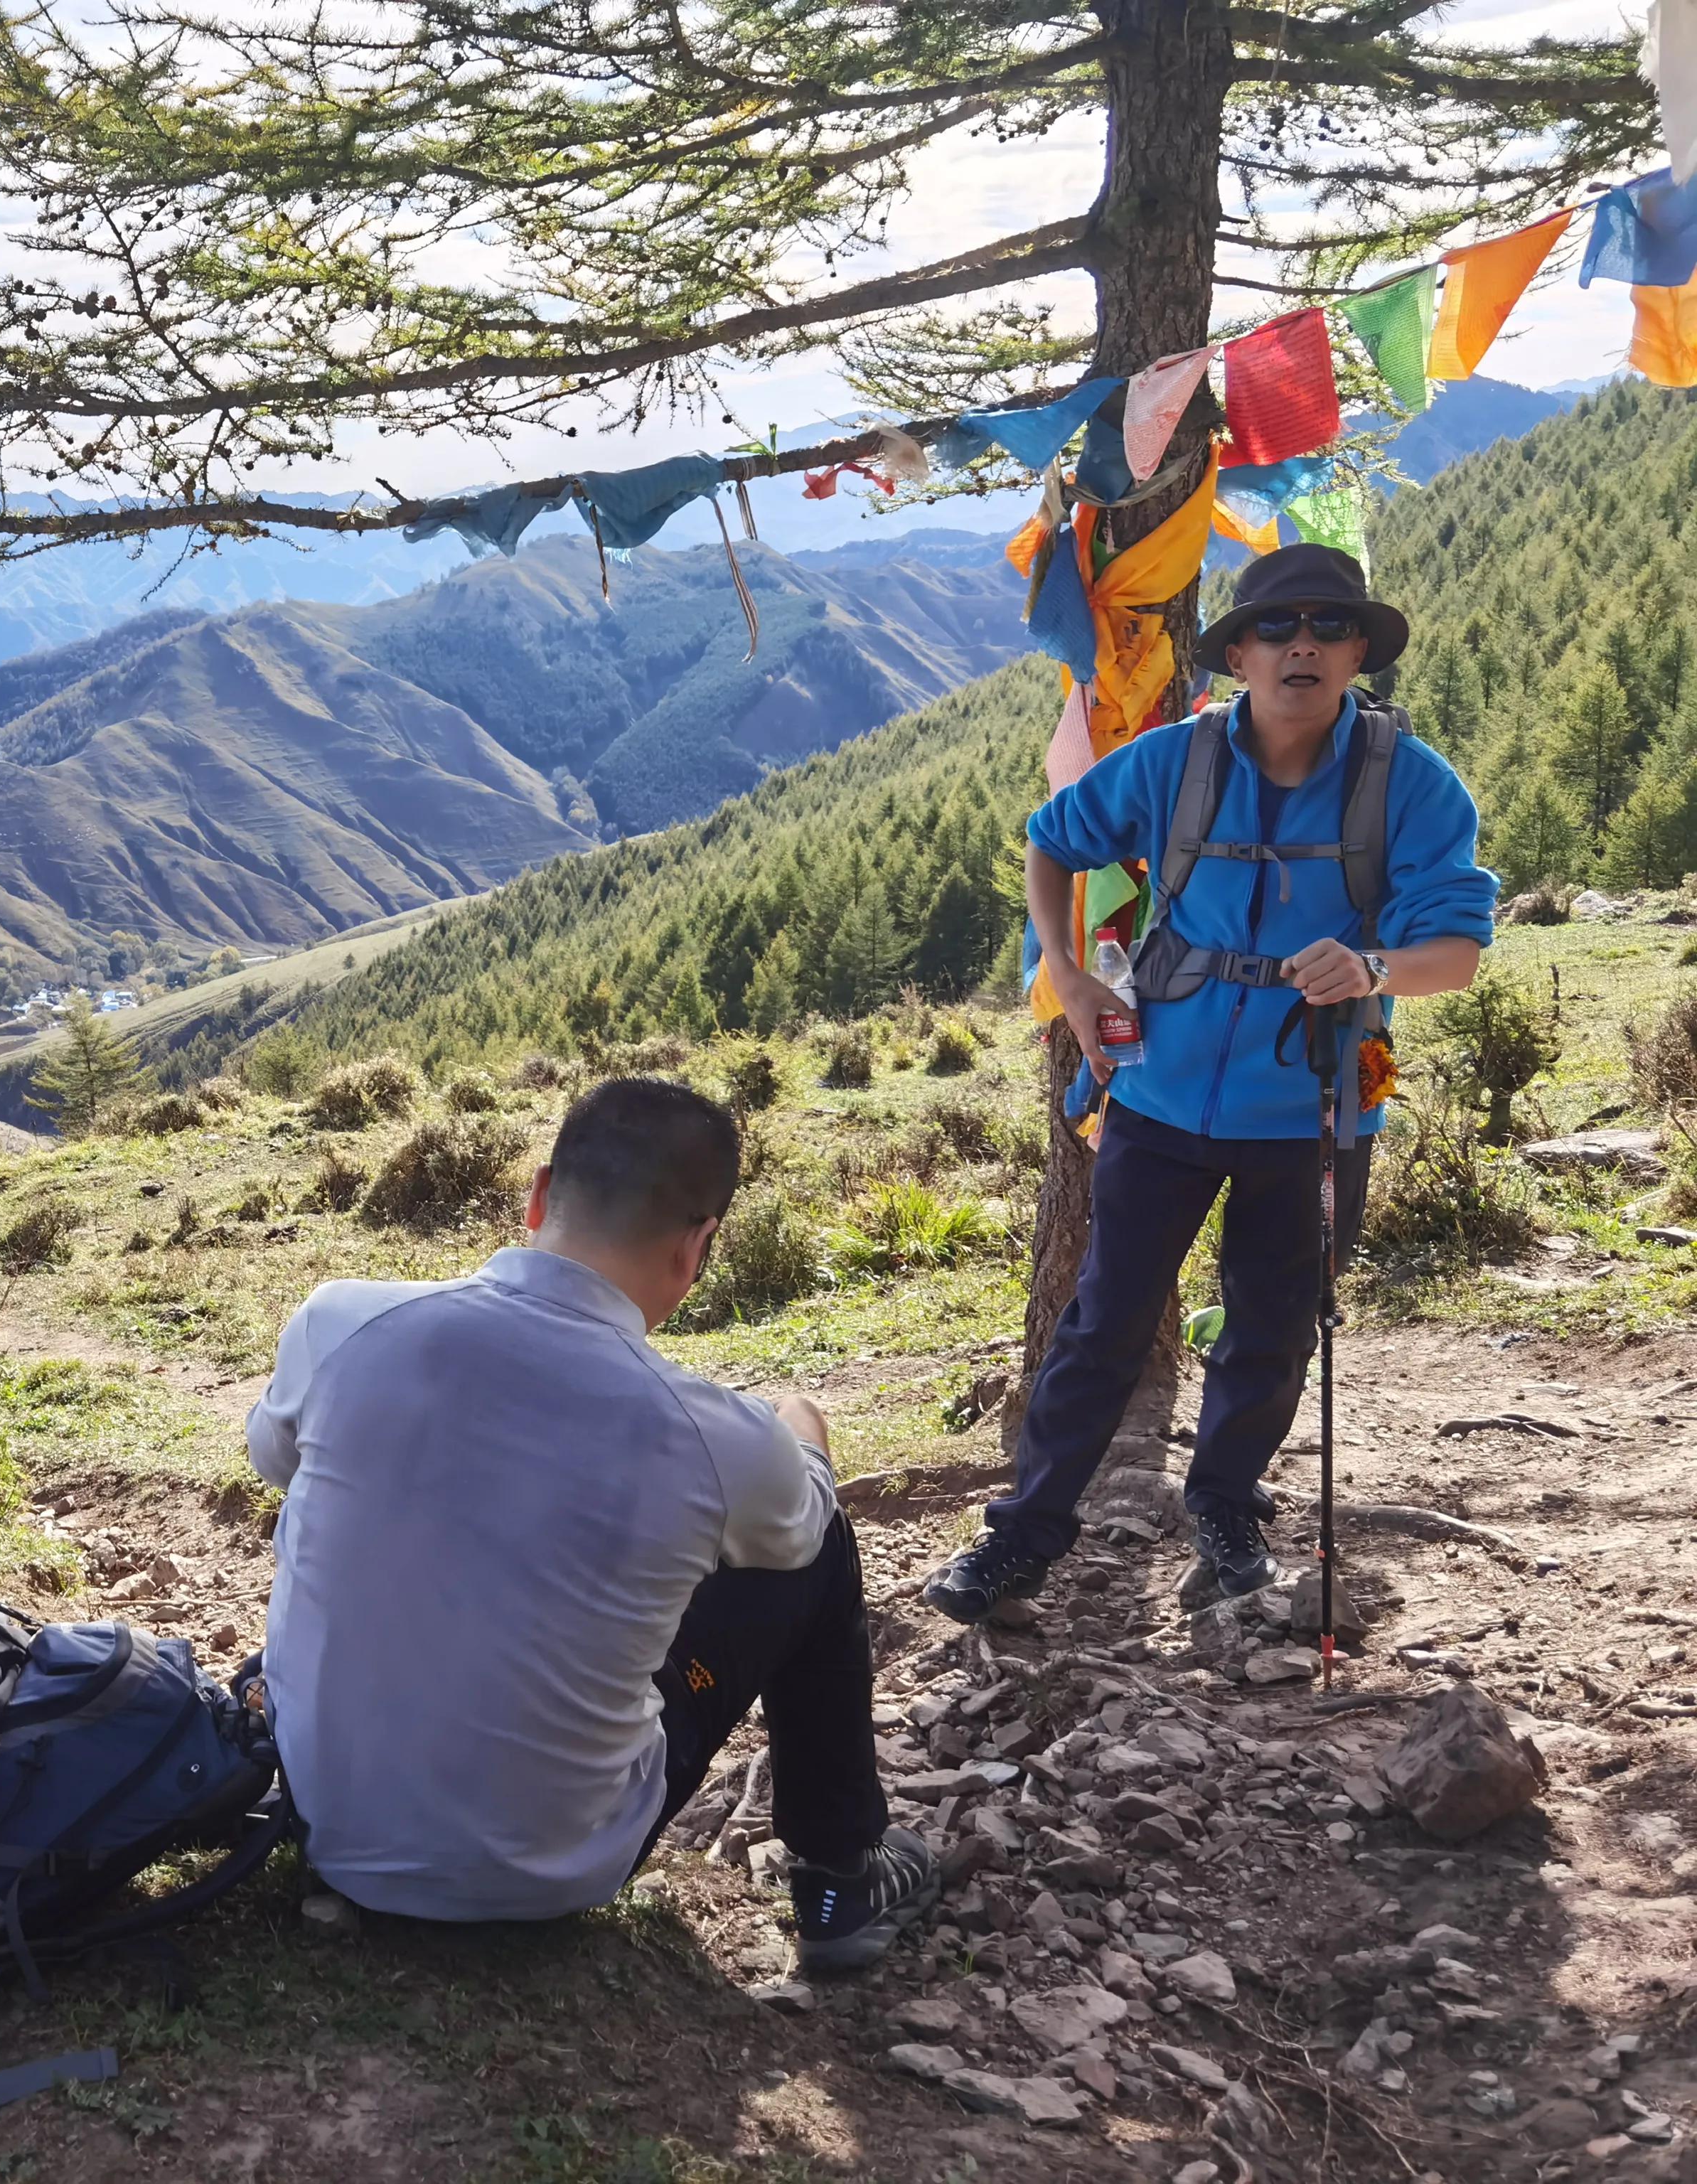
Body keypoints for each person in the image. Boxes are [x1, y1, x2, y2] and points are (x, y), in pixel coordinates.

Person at [245, 1077, 936, 1972]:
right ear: (696, 1247)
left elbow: (277, 1462)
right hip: (552, 1869)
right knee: (816, 1531)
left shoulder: (341, 1320)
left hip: (321, 1826)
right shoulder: (722, 1439)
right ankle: (842, 1874)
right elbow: (794, 1535)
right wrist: (801, 1432)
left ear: (537, 1196)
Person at [926, 544, 1493, 1625]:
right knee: (1104, 1325)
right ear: (1236, 653)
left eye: (1330, 629)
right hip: (1161, 1096)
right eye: (1278, 629)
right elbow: (1052, 844)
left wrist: (1373, 967)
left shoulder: (1409, 785)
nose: (1304, 647)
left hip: (1315, 1110)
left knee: (1274, 1327)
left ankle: (1226, 1508)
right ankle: (1026, 1536)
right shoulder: (1172, 764)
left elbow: (1457, 952)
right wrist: (1067, 971)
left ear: (1359, 652)